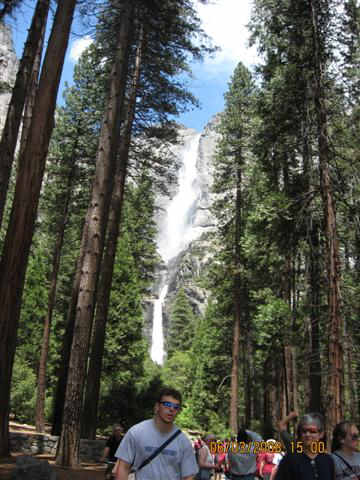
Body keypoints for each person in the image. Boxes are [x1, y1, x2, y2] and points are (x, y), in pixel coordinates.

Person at [114, 387, 198, 480]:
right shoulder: (136, 432)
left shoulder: (183, 441)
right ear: (157, 407)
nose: (171, 409)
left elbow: (189, 475)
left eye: (176, 407)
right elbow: (123, 467)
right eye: (167, 404)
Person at [274, 412, 335, 480]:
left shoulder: (327, 460)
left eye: (312, 431)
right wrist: (290, 416)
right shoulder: (289, 460)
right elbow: (281, 426)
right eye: (304, 431)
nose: (307, 434)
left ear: (321, 434)